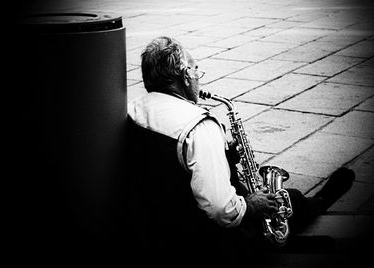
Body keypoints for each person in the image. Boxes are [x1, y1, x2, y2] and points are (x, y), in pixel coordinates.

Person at [126, 36, 355, 264]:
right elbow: (222, 210)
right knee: (286, 200)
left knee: (267, 184)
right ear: (185, 76)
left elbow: (168, 164)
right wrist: (250, 204)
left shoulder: (135, 108)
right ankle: (320, 202)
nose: (198, 79)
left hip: (158, 226)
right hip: (204, 243)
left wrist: (227, 154)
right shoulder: (199, 127)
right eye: (196, 71)